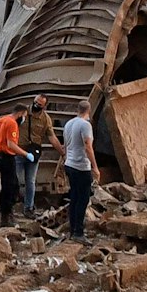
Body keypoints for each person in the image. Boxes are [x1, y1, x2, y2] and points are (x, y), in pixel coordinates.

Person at [0, 103, 33, 229]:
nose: (24, 119)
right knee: (10, 187)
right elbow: (11, 144)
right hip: (7, 157)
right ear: (20, 113)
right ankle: (6, 216)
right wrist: (26, 154)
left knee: (12, 184)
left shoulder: (0, 121)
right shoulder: (12, 123)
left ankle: (7, 213)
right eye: (24, 115)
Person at [18, 95, 62, 218]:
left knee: (30, 181)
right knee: (16, 180)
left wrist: (61, 152)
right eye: (35, 102)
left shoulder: (45, 119)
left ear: (44, 106)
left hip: (33, 153)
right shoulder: (23, 112)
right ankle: (9, 206)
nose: (36, 105)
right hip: (18, 150)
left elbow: (51, 137)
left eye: (40, 104)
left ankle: (29, 208)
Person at [61, 99, 98, 240]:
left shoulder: (69, 124)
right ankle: (78, 233)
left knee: (74, 198)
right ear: (88, 111)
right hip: (81, 166)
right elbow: (88, 147)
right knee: (82, 200)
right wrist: (95, 167)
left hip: (69, 165)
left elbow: (65, 145)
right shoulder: (85, 125)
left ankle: (72, 230)